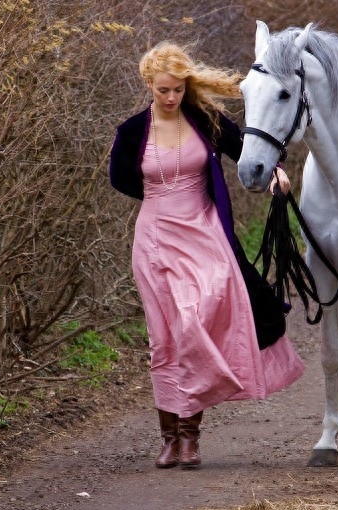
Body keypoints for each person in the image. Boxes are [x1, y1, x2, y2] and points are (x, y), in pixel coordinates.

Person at [109, 42, 304, 469]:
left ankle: (191, 432)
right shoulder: (130, 132)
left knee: (194, 321)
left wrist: (276, 176)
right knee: (164, 339)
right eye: (163, 90)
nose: (172, 97)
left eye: (178, 89)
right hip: (154, 240)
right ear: (149, 86)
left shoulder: (207, 120)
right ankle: (172, 439)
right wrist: (162, 198)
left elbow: (249, 151)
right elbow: (120, 178)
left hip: (203, 233)